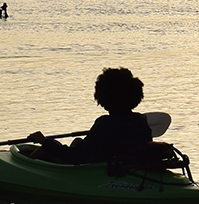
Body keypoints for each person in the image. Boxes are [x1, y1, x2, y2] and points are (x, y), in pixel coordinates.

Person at [27, 67, 155, 164]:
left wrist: (44, 142)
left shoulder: (104, 124)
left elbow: (75, 157)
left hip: (100, 170)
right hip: (123, 165)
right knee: (77, 141)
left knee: (46, 149)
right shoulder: (140, 120)